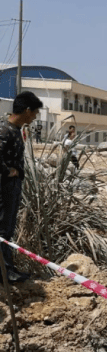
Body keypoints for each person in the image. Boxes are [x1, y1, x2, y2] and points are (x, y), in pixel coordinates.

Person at [0, 91, 43, 284]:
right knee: (2, 231)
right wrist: (8, 172)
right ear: (27, 110)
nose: (34, 117)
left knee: (7, 230)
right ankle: (5, 273)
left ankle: (7, 269)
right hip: (4, 187)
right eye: (34, 113)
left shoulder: (15, 130)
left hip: (12, 187)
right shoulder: (5, 130)